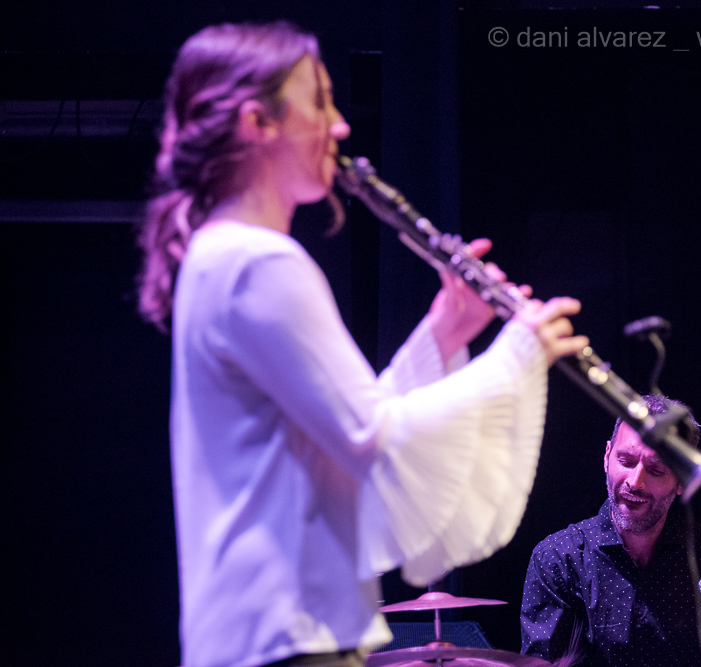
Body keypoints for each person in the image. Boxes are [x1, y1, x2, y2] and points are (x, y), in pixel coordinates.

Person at [136, 21, 588, 667]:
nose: (340, 125)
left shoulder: (224, 255)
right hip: (287, 633)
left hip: (269, 629)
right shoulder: (258, 262)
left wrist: (443, 334)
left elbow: (340, 428)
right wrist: (517, 355)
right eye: (319, 102)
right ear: (257, 122)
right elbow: (370, 436)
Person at [520, 395, 701, 667]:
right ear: (607, 457)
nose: (635, 482)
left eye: (656, 469)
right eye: (626, 461)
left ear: (683, 479)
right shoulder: (558, 560)